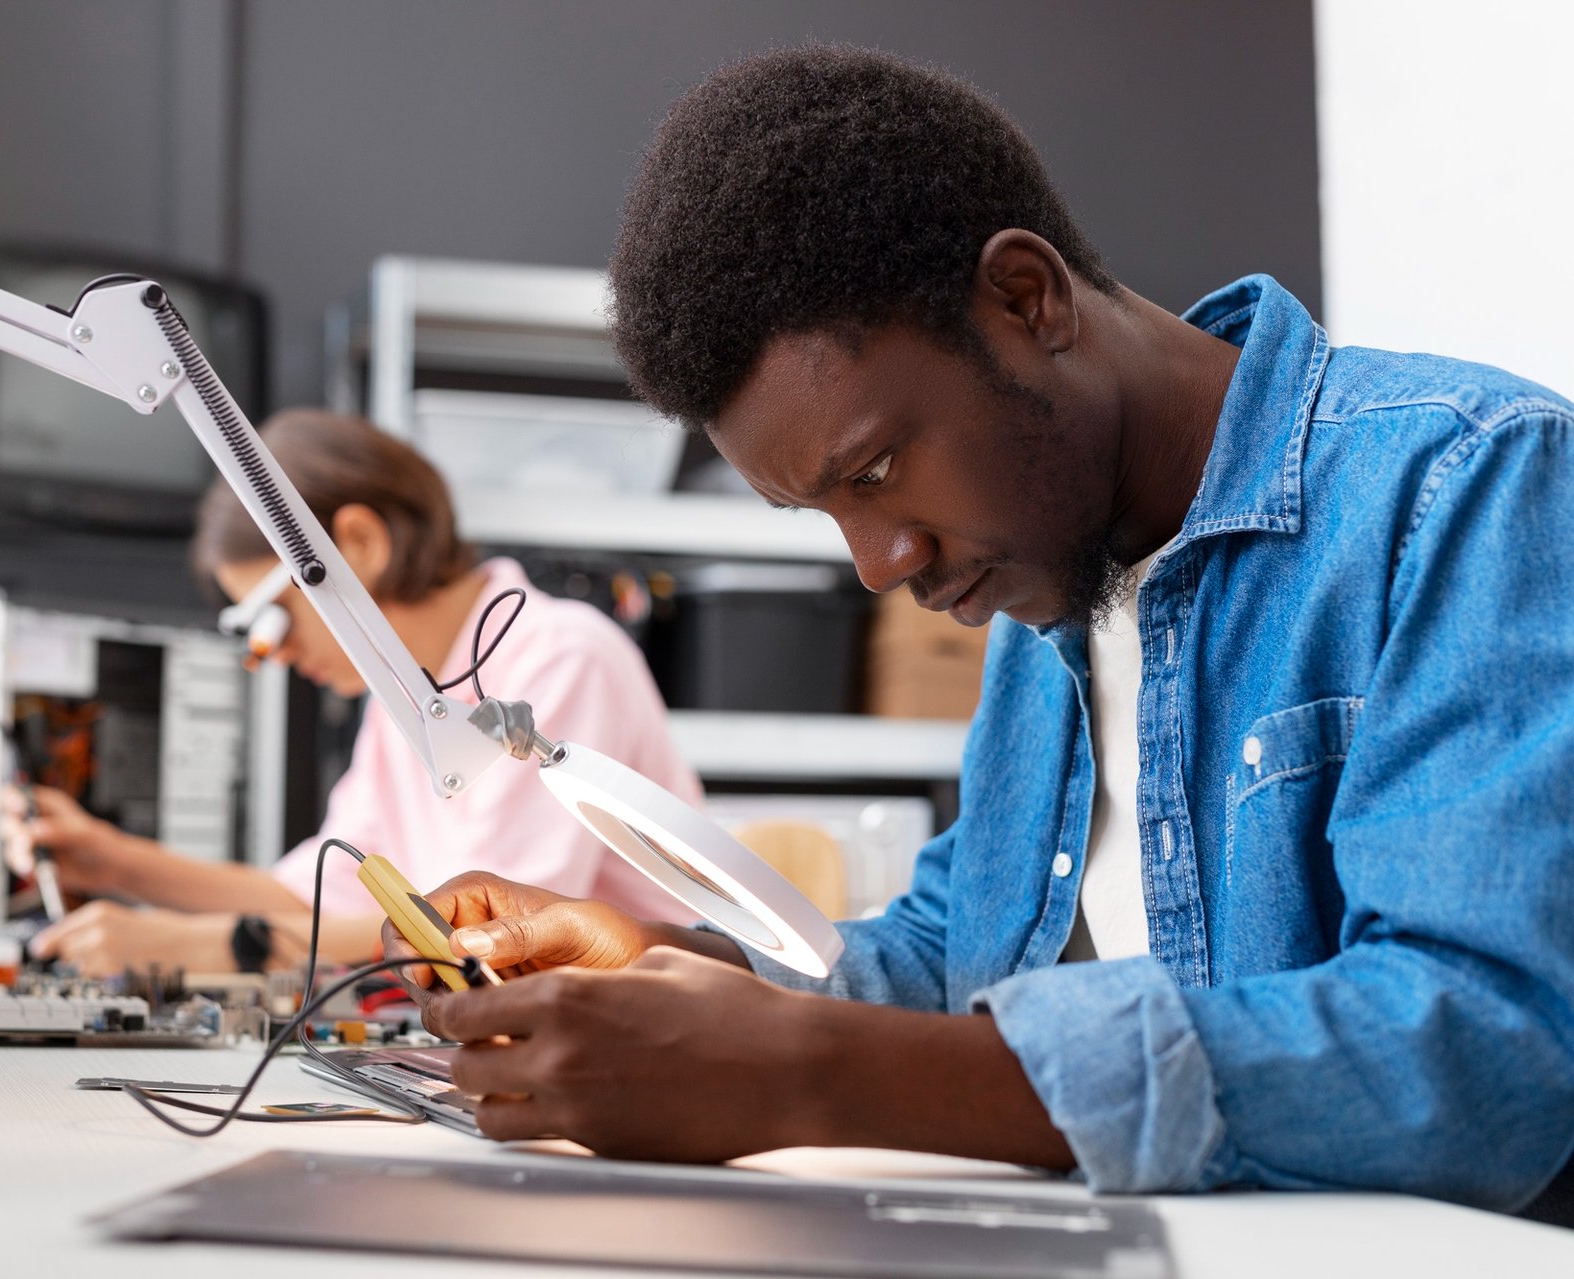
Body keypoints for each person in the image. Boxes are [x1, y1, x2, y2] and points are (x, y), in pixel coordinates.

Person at [387, 46, 1574, 1220]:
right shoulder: (1047, 583)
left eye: (879, 468)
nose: (879, 563)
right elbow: (959, 947)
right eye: (825, 513)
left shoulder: (1467, 485)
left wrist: (810, 1073)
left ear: (1026, 299)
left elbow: (1481, 1049)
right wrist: (679, 963)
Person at [9, 409, 699, 976]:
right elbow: (315, 895)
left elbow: (486, 935)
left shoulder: (561, 657)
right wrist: (108, 858)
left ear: (360, 543)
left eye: (270, 618)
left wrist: (217, 947)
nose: (270, 654)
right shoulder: (409, 698)